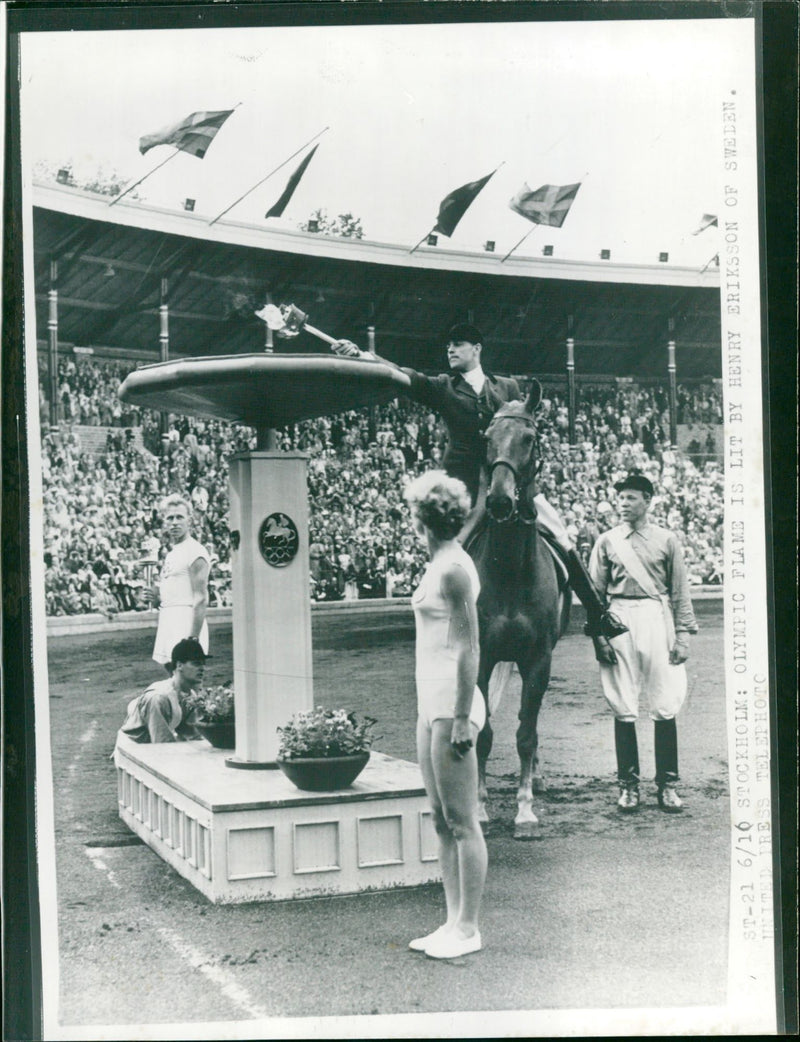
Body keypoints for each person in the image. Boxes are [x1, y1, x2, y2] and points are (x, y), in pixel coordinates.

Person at [332, 323, 625, 654]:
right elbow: (407, 377)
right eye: (448, 346)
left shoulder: (509, 387)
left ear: (477, 349)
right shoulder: (444, 387)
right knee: (449, 554)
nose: (450, 350)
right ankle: (451, 629)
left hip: (513, 484)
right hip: (467, 491)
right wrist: (363, 356)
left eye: (458, 345)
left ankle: (598, 617)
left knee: (561, 536)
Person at [403, 470, 487, 960]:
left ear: (423, 519)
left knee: (463, 821)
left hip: (452, 705)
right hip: (429, 703)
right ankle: (452, 920)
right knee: (440, 819)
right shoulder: (438, 564)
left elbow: (470, 646)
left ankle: (469, 928)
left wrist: (459, 717)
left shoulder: (454, 568)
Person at [588, 473, 698, 813]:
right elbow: (595, 596)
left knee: (665, 700)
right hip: (619, 617)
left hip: (656, 615)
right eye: (620, 498)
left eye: (632, 498)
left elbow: (679, 590)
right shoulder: (606, 541)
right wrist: (599, 638)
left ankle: (667, 785)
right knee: (623, 702)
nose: (624, 504)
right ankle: (629, 786)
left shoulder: (666, 540)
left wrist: (682, 635)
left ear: (648, 501)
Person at [149, 494, 211, 672]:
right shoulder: (172, 553)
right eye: (170, 518)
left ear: (189, 520)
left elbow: (201, 598)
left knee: (187, 680)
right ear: (164, 522)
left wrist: (192, 639)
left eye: (179, 517)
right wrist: (155, 598)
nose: (174, 522)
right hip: (168, 620)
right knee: (173, 681)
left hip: (186, 622)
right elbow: (172, 594)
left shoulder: (195, 551)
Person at [118, 638, 207, 744]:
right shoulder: (159, 697)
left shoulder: (189, 696)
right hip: (132, 749)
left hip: (151, 746)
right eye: (196, 663)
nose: (202, 668)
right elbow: (162, 744)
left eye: (203, 663)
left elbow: (191, 736)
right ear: (179, 665)